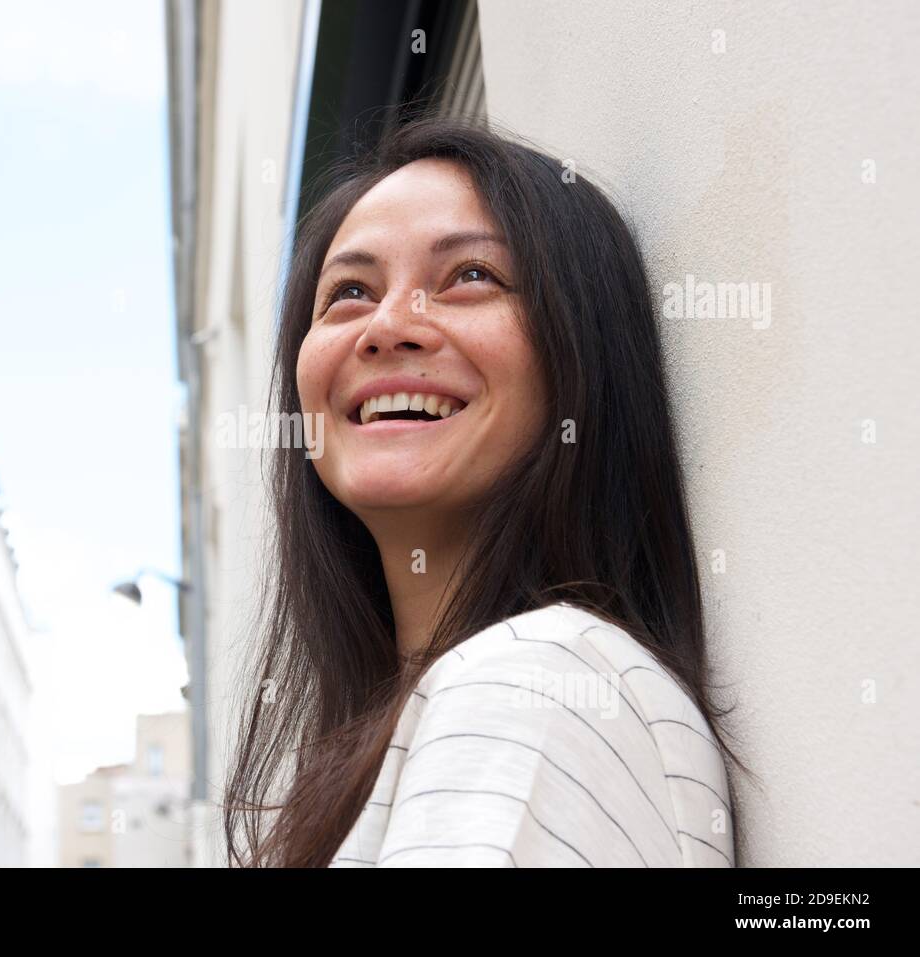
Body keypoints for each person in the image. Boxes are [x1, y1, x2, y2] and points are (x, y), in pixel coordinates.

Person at [222, 111, 749, 867]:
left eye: (471, 276)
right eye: (348, 292)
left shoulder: (532, 682)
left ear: (581, 357)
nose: (387, 326)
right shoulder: (474, 701)